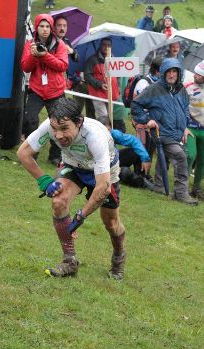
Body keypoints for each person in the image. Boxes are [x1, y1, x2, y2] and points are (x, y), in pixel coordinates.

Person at [17, 98, 126, 280]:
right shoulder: (51, 125)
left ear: (79, 122)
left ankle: (119, 255)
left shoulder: (94, 136)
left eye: (65, 128)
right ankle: (69, 261)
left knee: (111, 223)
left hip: (105, 173)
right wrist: (44, 181)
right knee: (58, 202)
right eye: (55, 129)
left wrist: (81, 215)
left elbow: (103, 187)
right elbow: (23, 153)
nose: (58, 135)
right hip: (73, 165)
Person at [131, 58, 198, 205]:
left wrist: (185, 126)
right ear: (163, 72)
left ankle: (159, 186)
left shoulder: (181, 90)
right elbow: (135, 104)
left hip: (177, 132)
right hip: (161, 132)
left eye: (175, 71)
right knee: (180, 156)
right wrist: (147, 119)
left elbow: (186, 109)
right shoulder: (154, 89)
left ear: (179, 73)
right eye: (169, 71)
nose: (172, 74)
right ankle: (181, 194)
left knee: (164, 159)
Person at [21, 13, 68, 166]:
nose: (45, 29)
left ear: (51, 28)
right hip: (37, 89)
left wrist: (45, 55)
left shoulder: (59, 44)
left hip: (56, 91)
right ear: (36, 28)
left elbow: (62, 65)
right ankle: (31, 153)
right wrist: (34, 55)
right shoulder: (30, 44)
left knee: (58, 123)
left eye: (48, 26)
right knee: (30, 119)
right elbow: (25, 67)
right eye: (41, 26)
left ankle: (55, 155)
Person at [84, 38, 120, 123]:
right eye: (104, 44)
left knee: (110, 117)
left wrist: (117, 88)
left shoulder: (114, 60)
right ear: (100, 45)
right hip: (97, 94)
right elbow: (87, 76)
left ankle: (109, 135)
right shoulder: (92, 59)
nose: (106, 47)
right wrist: (99, 84)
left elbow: (117, 76)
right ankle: (102, 135)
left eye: (109, 45)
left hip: (111, 93)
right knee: (103, 117)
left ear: (111, 47)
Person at [185, 60, 204, 200]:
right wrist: (183, 126)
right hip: (190, 127)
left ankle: (196, 188)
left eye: (199, 74)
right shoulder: (188, 87)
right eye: (195, 73)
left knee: (202, 160)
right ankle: (182, 186)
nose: (195, 76)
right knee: (191, 155)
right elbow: (180, 107)